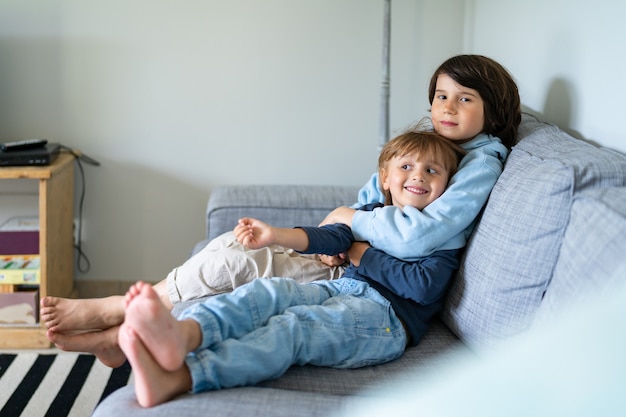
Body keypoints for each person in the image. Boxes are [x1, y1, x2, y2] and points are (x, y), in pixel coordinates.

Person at [39, 54, 521, 367]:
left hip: (372, 282)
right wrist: (334, 229)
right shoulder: (429, 143)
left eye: (464, 99)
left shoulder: (480, 159)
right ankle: (122, 326)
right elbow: (374, 196)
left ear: (493, 111)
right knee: (230, 248)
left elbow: (415, 236)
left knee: (253, 282)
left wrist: (352, 229)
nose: (447, 107)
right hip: (349, 261)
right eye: (441, 95)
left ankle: (121, 324)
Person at [118, 131, 464, 407]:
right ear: (385, 178)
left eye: (431, 170)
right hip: (341, 289)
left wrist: (359, 253)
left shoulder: (442, 235)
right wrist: (275, 235)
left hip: (385, 321)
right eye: (406, 167)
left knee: (293, 328)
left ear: (447, 186)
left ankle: (183, 378)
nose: (418, 175)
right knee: (268, 291)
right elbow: (333, 235)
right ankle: (186, 334)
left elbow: (421, 286)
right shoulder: (372, 213)